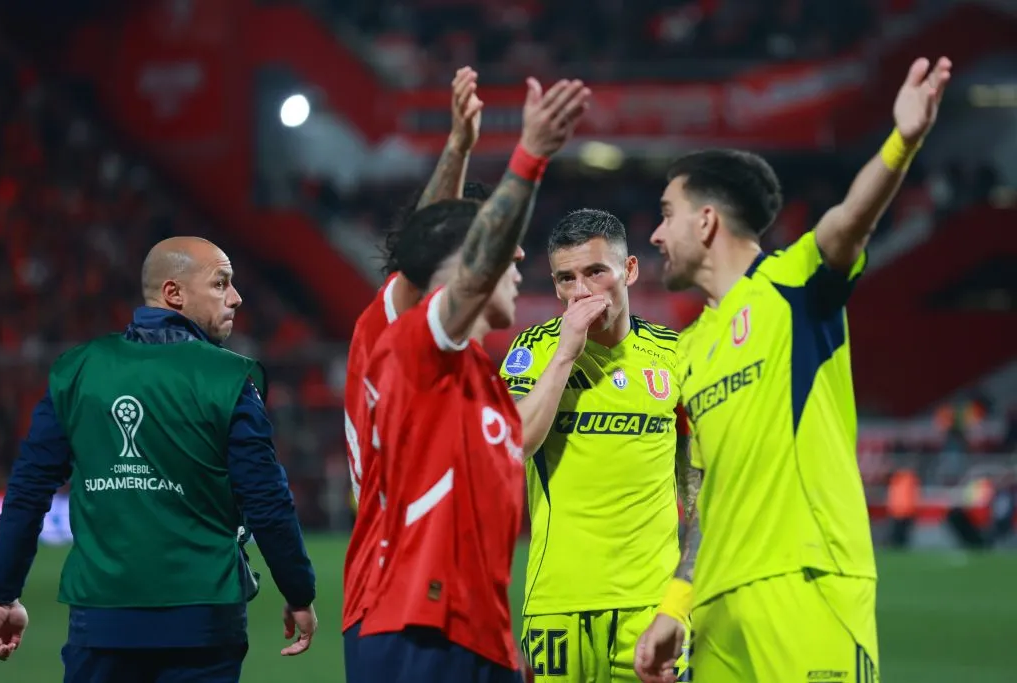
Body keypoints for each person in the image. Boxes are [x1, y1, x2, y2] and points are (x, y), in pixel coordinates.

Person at [634, 56, 952, 683]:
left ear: (706, 220)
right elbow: (700, 493)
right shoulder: (689, 349)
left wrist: (902, 141)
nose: (654, 234)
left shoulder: (791, 284)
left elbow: (848, 222)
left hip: (806, 585)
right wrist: (677, 602)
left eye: (666, 214)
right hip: (718, 613)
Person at [0, 237, 318, 682]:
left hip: (102, 620)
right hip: (204, 623)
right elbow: (267, 499)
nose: (236, 298)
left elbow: (29, 489)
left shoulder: (78, 370)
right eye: (221, 283)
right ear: (174, 294)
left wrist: (1, 594)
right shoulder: (229, 379)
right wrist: (298, 592)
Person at [356, 76, 591, 683]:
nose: (516, 261)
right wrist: (528, 154)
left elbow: (519, 442)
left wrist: (565, 353)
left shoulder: (477, 379)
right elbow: (428, 253)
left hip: (476, 631)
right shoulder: (410, 343)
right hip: (414, 621)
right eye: (501, 249)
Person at [498, 208, 696, 682]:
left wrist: (684, 592)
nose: (581, 290)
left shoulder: (675, 355)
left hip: (653, 605)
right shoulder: (533, 352)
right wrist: (567, 352)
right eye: (566, 278)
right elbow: (515, 444)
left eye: (595, 272)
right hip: (558, 604)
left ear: (628, 271)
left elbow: (697, 486)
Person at [341, 66, 486, 682]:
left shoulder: (477, 365)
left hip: (469, 608)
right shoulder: (395, 334)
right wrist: (456, 148)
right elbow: (421, 255)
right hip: (396, 600)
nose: (513, 259)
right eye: (488, 248)